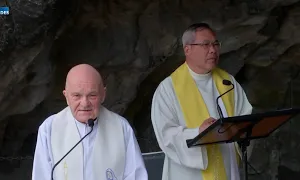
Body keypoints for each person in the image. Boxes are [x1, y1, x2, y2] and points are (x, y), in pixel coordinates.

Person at [151, 23, 253, 180]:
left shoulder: (227, 82)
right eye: (206, 44)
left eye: (215, 44)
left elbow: (246, 118)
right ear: (187, 49)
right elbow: (166, 136)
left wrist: (240, 131)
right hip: (190, 174)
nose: (213, 50)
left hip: (227, 167)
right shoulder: (169, 89)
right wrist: (199, 133)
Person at [32, 64, 148, 180]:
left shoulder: (121, 128)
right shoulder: (50, 129)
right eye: (77, 96)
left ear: (103, 95)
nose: (85, 103)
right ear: (66, 96)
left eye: (92, 95)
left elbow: (136, 176)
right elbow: (41, 176)